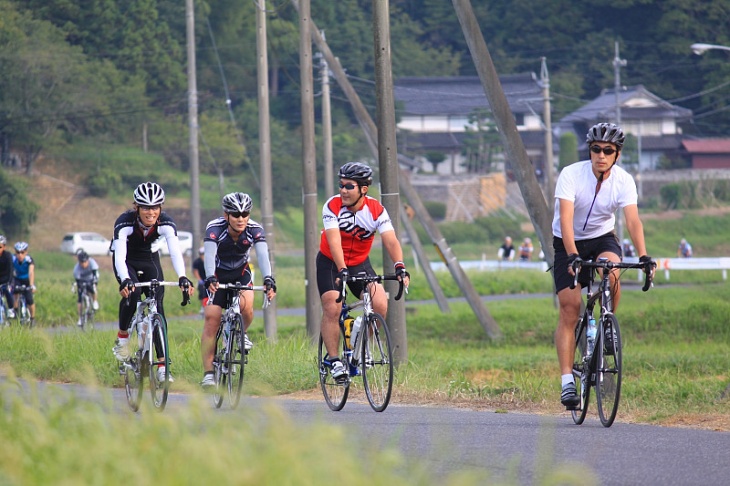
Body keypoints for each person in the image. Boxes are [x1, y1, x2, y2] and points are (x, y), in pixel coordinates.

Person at [551, 122, 654, 410]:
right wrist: (572, 255)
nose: (601, 155)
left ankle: (608, 323)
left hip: (602, 238)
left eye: (608, 151)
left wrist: (644, 256)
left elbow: (633, 221)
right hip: (567, 241)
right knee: (570, 309)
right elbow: (566, 219)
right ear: (590, 150)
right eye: (596, 149)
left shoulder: (623, 181)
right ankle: (567, 383)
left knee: (611, 271)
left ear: (617, 154)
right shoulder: (571, 174)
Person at [317, 162, 410, 380]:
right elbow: (334, 242)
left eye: (349, 186)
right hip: (331, 262)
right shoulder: (332, 206)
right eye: (341, 185)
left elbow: (390, 240)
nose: (343, 190)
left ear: (363, 189)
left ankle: (360, 341)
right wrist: (341, 269)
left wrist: (399, 266)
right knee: (333, 305)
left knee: (379, 303)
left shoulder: (376, 209)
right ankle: (334, 360)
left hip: (359, 263)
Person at [110, 182, 193, 383]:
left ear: (160, 209)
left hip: (149, 260)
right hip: (126, 260)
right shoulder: (124, 222)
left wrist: (182, 276)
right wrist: (125, 280)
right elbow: (119, 257)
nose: (150, 212)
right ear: (136, 207)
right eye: (145, 207)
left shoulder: (166, 223)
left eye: (155, 207)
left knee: (158, 306)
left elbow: (175, 252)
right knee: (133, 294)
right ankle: (122, 339)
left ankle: (164, 366)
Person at [200, 192, 277, 388]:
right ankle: (209, 373)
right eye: (236, 215)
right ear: (226, 215)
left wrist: (268, 278)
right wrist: (209, 277)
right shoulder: (214, 228)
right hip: (217, 275)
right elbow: (209, 256)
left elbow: (262, 255)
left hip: (241, 273)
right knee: (212, 318)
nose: (241, 219)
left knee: (247, 306)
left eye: (245, 214)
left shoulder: (254, 229)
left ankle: (239, 335)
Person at [73, 250, 100, 326]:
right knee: (80, 297)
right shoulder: (76, 269)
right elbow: (77, 281)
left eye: (85, 262)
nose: (84, 264)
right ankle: (80, 318)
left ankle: (95, 301)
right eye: (82, 262)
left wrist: (95, 281)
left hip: (91, 279)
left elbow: (96, 274)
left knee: (93, 288)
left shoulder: (92, 263)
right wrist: (79, 287)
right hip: (81, 280)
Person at [12, 241, 35, 325]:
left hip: (27, 280)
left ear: (26, 252)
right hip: (17, 279)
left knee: (29, 300)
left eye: (22, 252)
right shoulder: (13, 259)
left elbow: (31, 272)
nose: (20, 255)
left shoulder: (29, 260)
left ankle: (32, 318)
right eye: (18, 252)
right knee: (14, 294)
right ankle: (16, 313)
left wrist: (31, 285)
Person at [0, 236, 15, 319]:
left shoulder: (8, 256)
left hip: (6, 279)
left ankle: (10, 309)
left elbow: (10, 270)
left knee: (7, 291)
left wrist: (9, 282)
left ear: (4, 247)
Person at [192, 246, 207, 315]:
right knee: (202, 292)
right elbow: (195, 272)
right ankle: (203, 307)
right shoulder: (197, 262)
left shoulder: (209, 260)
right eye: (202, 254)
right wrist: (200, 280)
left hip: (209, 278)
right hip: (202, 279)